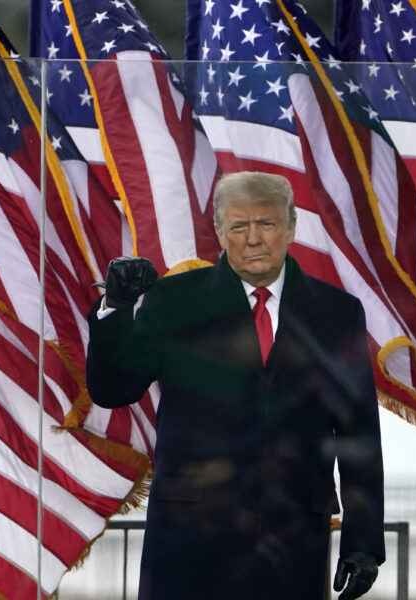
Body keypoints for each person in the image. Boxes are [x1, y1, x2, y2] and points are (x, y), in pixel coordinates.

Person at [86, 171, 384, 600]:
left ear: (291, 227)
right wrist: (117, 307)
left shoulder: (338, 312)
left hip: (293, 541)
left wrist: (363, 541)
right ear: (220, 231)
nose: (253, 239)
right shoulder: (174, 302)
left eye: (266, 224)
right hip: (189, 539)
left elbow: (357, 432)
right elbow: (113, 389)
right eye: (239, 226)